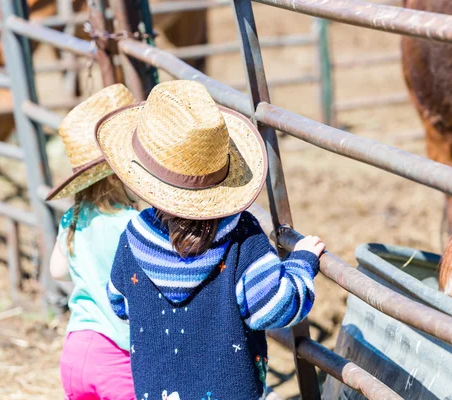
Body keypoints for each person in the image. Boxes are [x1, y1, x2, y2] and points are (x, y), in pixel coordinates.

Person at [96, 80, 325, 400]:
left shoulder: (133, 238)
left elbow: (119, 302)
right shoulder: (242, 237)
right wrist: (301, 264)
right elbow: (274, 307)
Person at [47, 84, 140, 400]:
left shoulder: (72, 219)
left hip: (75, 350)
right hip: (117, 355)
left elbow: (57, 270)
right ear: (118, 173)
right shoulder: (132, 224)